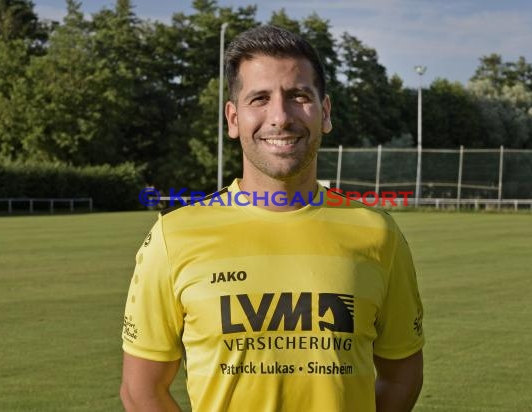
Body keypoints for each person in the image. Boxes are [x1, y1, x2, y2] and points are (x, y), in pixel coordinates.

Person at [120, 25, 424, 412]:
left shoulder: (378, 234)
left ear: (325, 113)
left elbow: (402, 375)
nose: (280, 116)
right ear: (233, 119)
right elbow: (140, 390)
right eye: (259, 98)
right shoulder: (173, 235)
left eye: (298, 96)